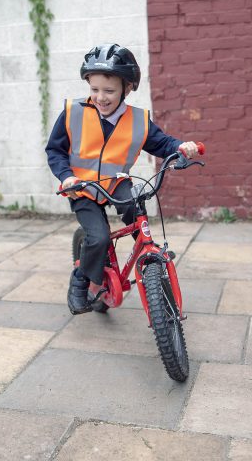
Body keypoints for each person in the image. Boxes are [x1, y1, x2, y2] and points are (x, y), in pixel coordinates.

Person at [46, 43, 199, 314]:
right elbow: (55, 150)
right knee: (99, 237)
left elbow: (162, 143)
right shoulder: (74, 112)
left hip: (116, 182)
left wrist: (180, 147)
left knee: (134, 206)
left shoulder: (138, 120)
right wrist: (67, 177)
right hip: (82, 188)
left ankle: (146, 247)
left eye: (109, 91)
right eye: (94, 90)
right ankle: (81, 280)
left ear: (127, 89)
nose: (100, 97)